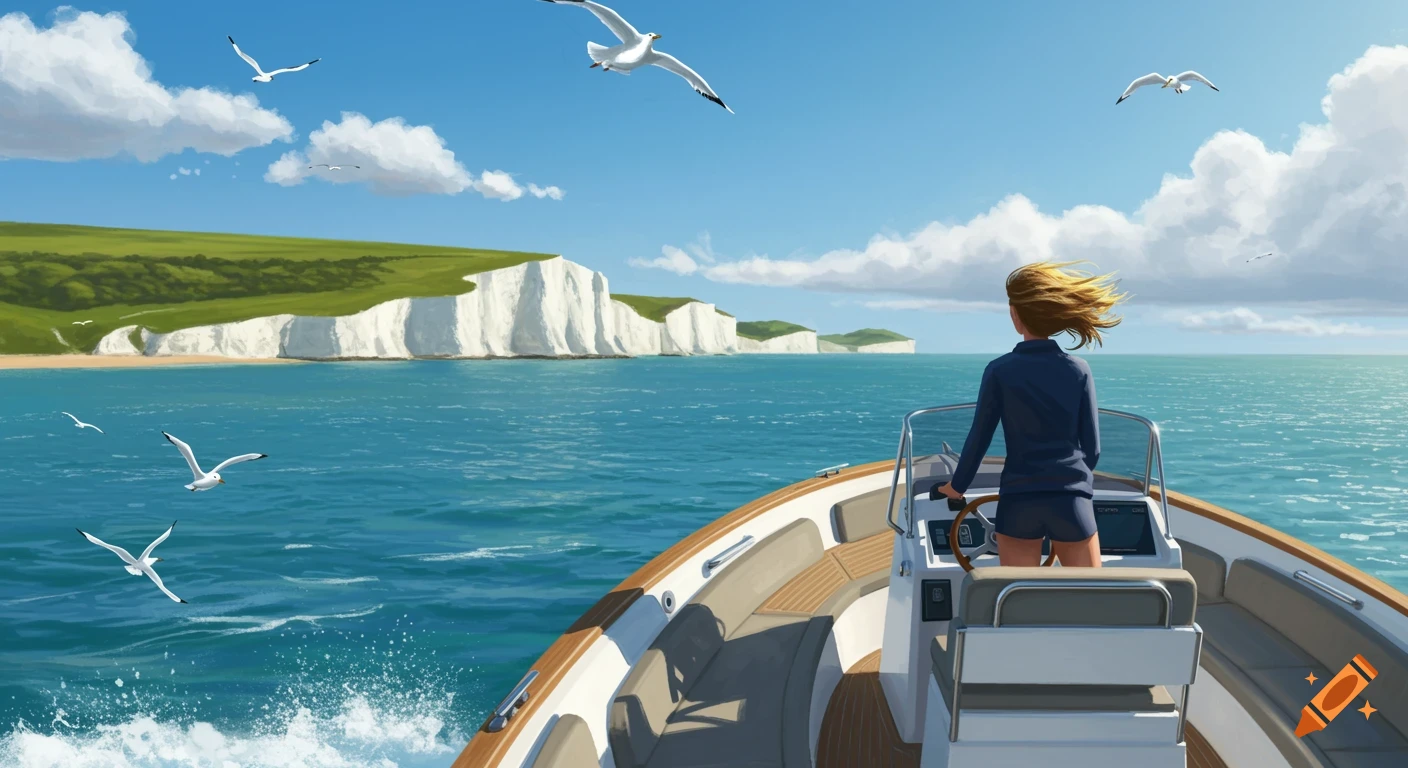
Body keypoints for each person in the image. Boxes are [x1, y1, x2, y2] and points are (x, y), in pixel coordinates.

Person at [934, 261, 1127, 568]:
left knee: (1019, 599)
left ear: (1015, 315)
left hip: (1019, 499)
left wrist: (956, 488)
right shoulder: (1078, 370)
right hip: (1071, 500)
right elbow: (1092, 450)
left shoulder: (999, 370)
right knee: (1090, 599)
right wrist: (1070, 485)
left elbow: (978, 439)